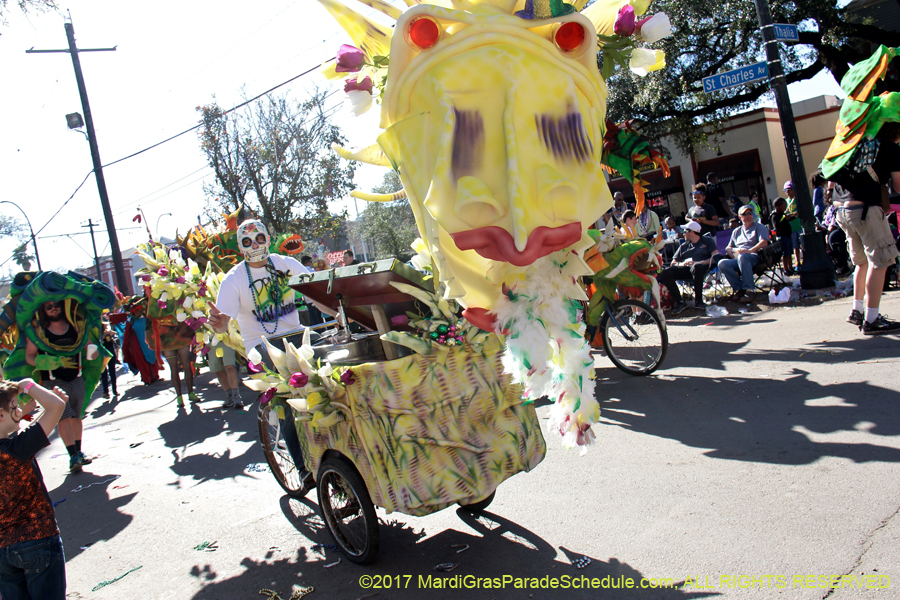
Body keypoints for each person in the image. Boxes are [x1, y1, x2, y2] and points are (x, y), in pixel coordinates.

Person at [208, 219, 321, 484]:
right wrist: (221, 323)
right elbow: (223, 321)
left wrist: (339, 310)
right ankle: (303, 468)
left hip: (296, 336)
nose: (255, 245)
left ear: (268, 239)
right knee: (289, 397)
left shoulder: (286, 264)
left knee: (331, 356)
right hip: (261, 348)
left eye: (259, 239)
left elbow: (315, 293)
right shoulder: (233, 278)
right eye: (247, 242)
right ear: (240, 247)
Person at [0, 378, 68, 600]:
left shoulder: (17, 445)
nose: (19, 411)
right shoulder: (17, 448)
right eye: (14, 406)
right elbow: (56, 406)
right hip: (37, 539)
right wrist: (28, 385)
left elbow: (51, 412)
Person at [829, 122, 900, 335]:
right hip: (866, 210)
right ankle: (872, 319)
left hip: (842, 210)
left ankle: (857, 310)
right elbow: (898, 187)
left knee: (861, 262)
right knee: (880, 262)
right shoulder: (888, 148)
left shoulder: (853, 145)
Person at [24, 301, 95, 473]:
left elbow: (90, 345)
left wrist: (93, 353)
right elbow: (29, 356)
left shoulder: (75, 327)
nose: (53, 308)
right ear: (43, 310)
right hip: (52, 381)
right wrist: (46, 362)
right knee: (63, 417)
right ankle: (73, 456)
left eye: (56, 305)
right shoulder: (39, 332)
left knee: (76, 416)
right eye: (48, 306)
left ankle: (78, 452)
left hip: (76, 378)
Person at [656, 221, 719, 314]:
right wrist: (683, 264)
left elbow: (715, 256)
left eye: (685, 231)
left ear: (692, 231)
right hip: (686, 269)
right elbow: (674, 262)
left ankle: (699, 301)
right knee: (666, 272)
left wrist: (698, 262)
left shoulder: (707, 241)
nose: (683, 233)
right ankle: (680, 302)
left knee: (698, 266)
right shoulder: (684, 245)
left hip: (702, 268)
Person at [718, 205, 771, 303]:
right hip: (738, 257)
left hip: (755, 257)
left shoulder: (759, 227)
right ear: (740, 217)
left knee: (743, 257)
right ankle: (740, 289)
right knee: (722, 263)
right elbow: (728, 247)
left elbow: (764, 242)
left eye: (750, 213)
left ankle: (750, 290)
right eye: (745, 214)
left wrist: (750, 250)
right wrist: (733, 250)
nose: (748, 215)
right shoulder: (736, 231)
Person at [208, 343, 242, 409]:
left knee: (229, 366)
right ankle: (230, 396)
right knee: (217, 370)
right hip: (210, 341)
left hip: (226, 338)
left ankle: (236, 396)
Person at [770, 198, 797, 275]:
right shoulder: (775, 216)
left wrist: (794, 216)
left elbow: (787, 220)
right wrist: (785, 219)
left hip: (788, 235)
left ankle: (791, 267)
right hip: (782, 237)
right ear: (778, 207)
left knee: (790, 253)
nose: (785, 207)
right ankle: (786, 269)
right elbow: (777, 226)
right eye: (783, 206)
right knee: (785, 253)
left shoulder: (783, 214)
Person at [99, 318, 120, 399]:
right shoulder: (97, 334)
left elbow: (115, 334)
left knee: (111, 372)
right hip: (104, 352)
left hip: (110, 351)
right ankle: (106, 392)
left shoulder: (108, 332)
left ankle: (113, 390)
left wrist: (109, 334)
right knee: (105, 373)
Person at [783, 180, 803, 267]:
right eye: (786, 190)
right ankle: (797, 261)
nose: (788, 192)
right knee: (795, 246)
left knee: (802, 245)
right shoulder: (785, 202)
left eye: (789, 189)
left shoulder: (798, 199)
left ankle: (805, 260)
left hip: (799, 226)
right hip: (791, 228)